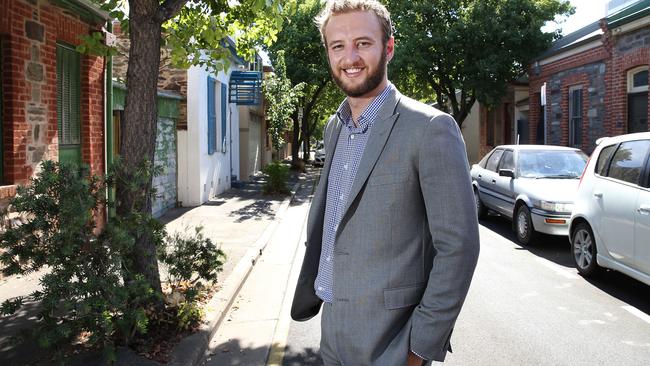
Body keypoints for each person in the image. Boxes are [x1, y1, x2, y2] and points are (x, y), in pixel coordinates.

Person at [290, 1, 480, 365]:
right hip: (332, 331)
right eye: (338, 46)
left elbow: (459, 247)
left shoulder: (430, 129)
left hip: (393, 342)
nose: (350, 57)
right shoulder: (334, 128)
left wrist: (419, 348)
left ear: (388, 47)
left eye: (363, 43)